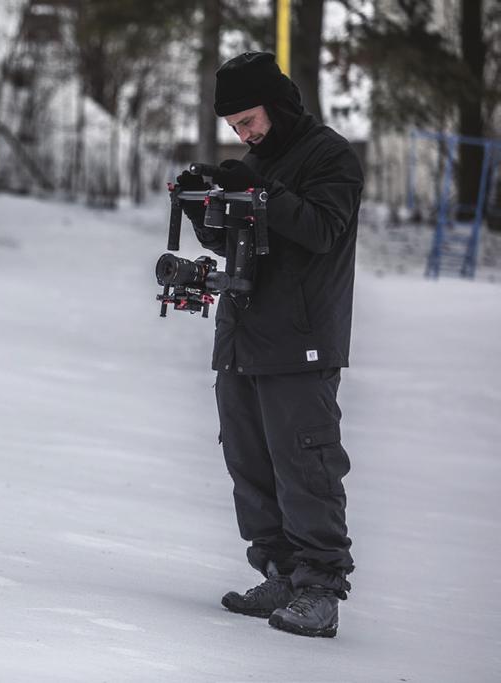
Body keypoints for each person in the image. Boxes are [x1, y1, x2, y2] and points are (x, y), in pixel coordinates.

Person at [177, 51, 364, 638]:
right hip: (243, 336)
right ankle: (280, 572)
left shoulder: (330, 156)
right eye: (234, 127)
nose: (244, 134)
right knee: (250, 460)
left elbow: (319, 229)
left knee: (305, 461)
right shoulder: (256, 162)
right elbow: (241, 245)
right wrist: (201, 206)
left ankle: (319, 590)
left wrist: (256, 187)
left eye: (250, 120)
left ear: (278, 105)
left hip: (302, 339)